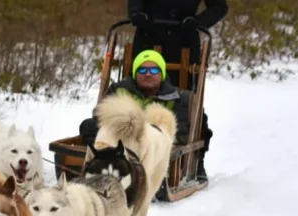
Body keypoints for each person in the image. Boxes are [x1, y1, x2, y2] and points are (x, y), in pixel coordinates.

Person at [79, 49, 209, 181]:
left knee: (200, 123)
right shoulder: (118, 89)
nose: (148, 74)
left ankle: (196, 164)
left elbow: (181, 132)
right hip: (119, 141)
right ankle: (96, 165)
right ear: (135, 73)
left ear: (162, 74)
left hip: (155, 146)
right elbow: (99, 116)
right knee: (88, 126)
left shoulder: (179, 97)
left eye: (154, 70)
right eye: (142, 70)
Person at [127, 0, 228, 89]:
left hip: (183, 39)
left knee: (181, 89)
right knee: (139, 83)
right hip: (149, 36)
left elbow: (219, 6)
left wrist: (198, 22)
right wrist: (137, 13)